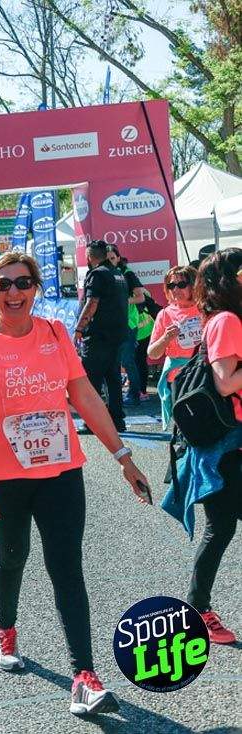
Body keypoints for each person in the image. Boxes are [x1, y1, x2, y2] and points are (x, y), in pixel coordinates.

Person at [0, 252, 152, 717]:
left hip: (61, 469)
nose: (14, 293)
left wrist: (123, 457)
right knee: (12, 555)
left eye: (23, 283)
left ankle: (83, 675)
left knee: (67, 568)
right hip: (4, 476)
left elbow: (83, 395)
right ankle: (5, 627)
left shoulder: (54, 333)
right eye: (3, 285)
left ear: (36, 288)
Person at [182, 248, 242, 644]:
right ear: (229, 279)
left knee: (219, 529)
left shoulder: (225, 319)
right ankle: (198, 608)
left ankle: (198, 606)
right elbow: (224, 381)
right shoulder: (227, 321)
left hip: (230, 442)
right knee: (218, 529)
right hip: (227, 444)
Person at [74, 241, 129, 434]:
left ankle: (93, 422)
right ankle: (117, 420)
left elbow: (92, 303)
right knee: (113, 379)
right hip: (117, 335)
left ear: (89, 257)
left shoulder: (97, 274)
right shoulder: (117, 273)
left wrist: (78, 329)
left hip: (98, 336)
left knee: (92, 382)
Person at [148, 266, 200, 429]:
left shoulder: (206, 309)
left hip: (202, 375)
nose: (176, 289)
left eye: (182, 284)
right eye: (171, 286)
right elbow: (153, 354)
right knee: (184, 429)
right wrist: (166, 338)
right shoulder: (165, 314)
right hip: (177, 379)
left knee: (204, 425)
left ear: (194, 285)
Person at [105, 246, 148, 404]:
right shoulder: (104, 273)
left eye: (112, 258)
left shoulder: (127, 273)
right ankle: (118, 395)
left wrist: (120, 301)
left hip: (128, 323)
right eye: (107, 259)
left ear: (118, 258)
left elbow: (140, 298)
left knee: (128, 360)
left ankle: (134, 394)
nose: (110, 262)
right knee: (115, 361)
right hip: (112, 324)